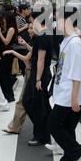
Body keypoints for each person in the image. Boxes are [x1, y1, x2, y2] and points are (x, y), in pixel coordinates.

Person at [48, 9, 81, 161]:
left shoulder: (75, 43)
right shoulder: (66, 40)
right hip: (62, 89)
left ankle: (78, 151)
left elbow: (77, 72)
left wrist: (74, 98)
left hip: (69, 93)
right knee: (67, 126)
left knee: (52, 124)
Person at [22, 15, 53, 147]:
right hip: (40, 73)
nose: (30, 26)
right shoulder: (44, 35)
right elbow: (37, 54)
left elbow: (41, 59)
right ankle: (44, 132)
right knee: (36, 104)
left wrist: (38, 79)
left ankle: (42, 135)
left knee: (35, 104)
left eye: (32, 22)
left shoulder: (41, 37)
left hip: (39, 74)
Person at [2, 23, 35, 135]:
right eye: (29, 28)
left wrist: (12, 52)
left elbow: (27, 57)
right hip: (31, 72)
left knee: (23, 101)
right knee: (30, 102)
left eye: (31, 28)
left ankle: (15, 127)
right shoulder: (36, 40)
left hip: (32, 74)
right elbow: (32, 52)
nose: (29, 31)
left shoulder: (39, 40)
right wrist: (25, 44)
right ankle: (15, 126)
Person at [0, 13, 18, 103]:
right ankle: (6, 94)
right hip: (3, 53)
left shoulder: (11, 29)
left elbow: (6, 42)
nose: (3, 20)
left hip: (7, 53)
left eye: (5, 19)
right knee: (1, 74)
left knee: (5, 74)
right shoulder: (7, 27)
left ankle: (9, 95)